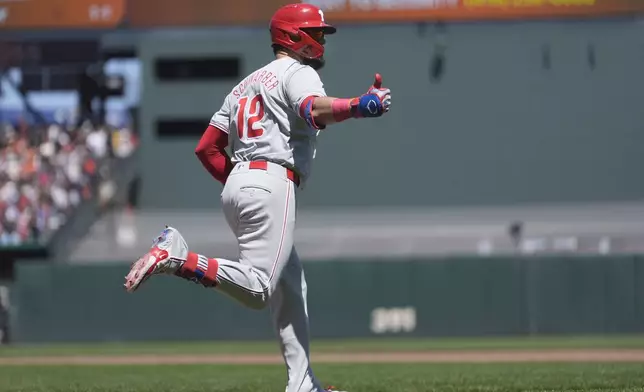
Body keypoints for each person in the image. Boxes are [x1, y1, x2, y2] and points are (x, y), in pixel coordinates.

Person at [124, 3, 392, 392]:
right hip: (271, 181)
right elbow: (312, 110)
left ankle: (302, 384)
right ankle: (179, 257)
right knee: (258, 288)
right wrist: (359, 106)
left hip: (239, 183)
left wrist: (241, 182)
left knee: (290, 284)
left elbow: (207, 148)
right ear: (294, 36)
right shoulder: (298, 72)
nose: (321, 40)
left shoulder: (244, 85)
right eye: (315, 32)